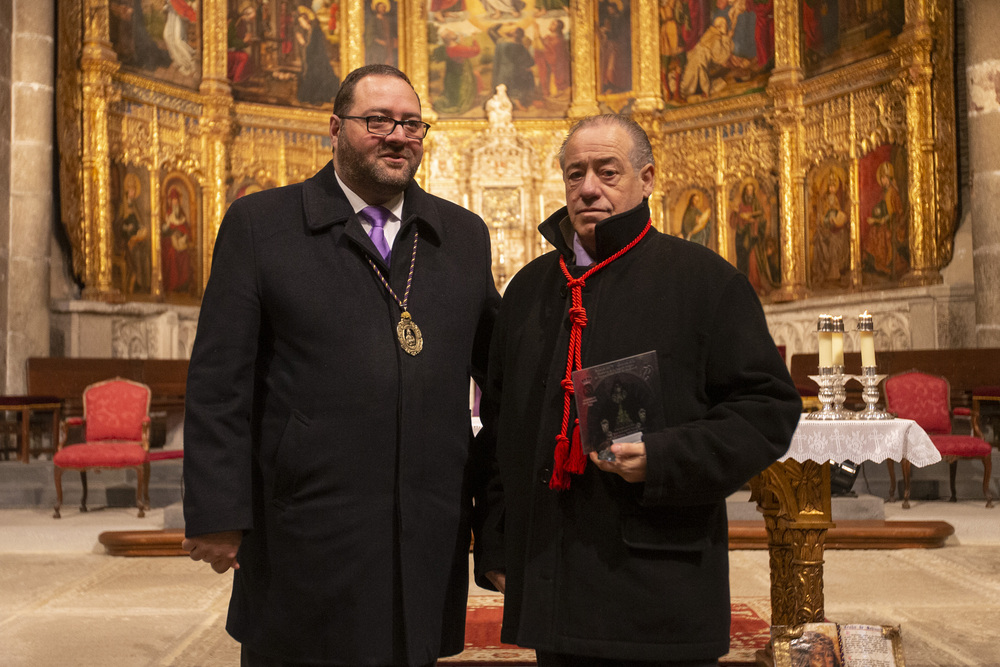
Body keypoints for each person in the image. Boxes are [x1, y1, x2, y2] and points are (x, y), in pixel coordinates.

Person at [182, 64, 500, 667]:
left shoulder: (459, 234)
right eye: (376, 120)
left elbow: (501, 375)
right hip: (308, 519)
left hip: (425, 519)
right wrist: (220, 511)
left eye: (411, 123)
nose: (396, 135)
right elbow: (219, 382)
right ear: (335, 127)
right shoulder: (263, 224)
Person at [474, 114, 801, 666]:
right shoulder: (531, 288)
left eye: (607, 171)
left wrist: (665, 456)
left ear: (646, 179)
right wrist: (499, 539)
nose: (588, 188)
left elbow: (767, 408)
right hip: (553, 573)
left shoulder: (703, 280)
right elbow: (502, 426)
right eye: (574, 173)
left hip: (657, 574)